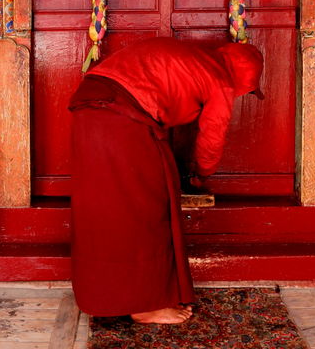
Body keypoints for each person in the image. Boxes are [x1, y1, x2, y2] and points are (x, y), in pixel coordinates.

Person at [67, 37, 264, 324]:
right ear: (243, 79)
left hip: (90, 108)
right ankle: (145, 306)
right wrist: (201, 176)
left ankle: (102, 296)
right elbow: (212, 139)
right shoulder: (221, 81)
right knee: (148, 206)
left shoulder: (194, 55)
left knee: (106, 208)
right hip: (121, 118)